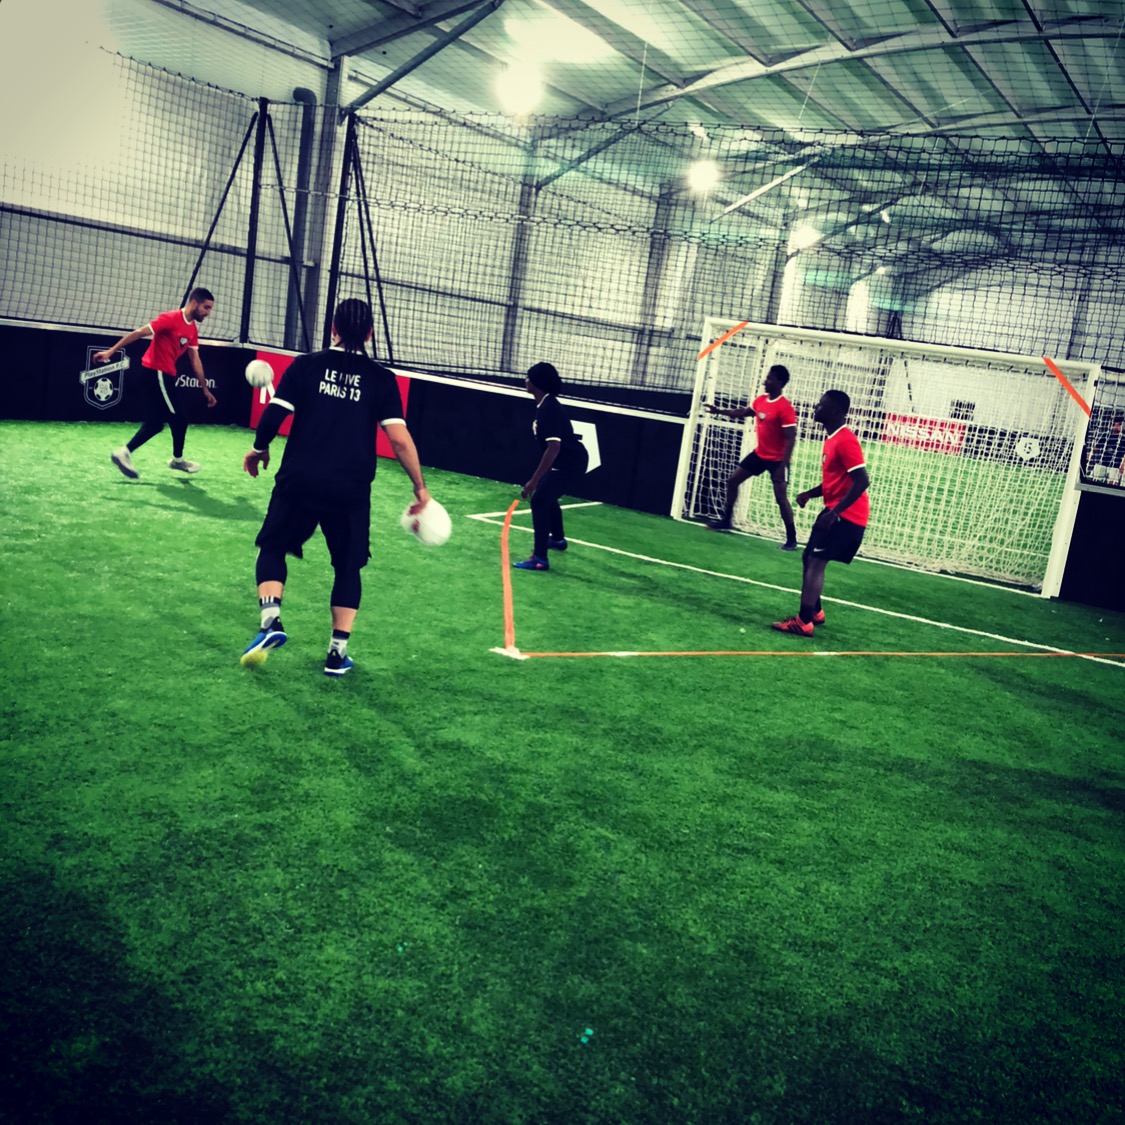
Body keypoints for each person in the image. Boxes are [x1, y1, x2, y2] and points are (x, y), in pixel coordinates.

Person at [240, 298, 431, 677]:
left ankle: (271, 622)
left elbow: (274, 414)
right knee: (347, 566)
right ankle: (336, 653)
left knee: (273, 546)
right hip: (350, 488)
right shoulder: (381, 379)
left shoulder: (306, 366)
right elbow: (399, 439)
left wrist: (260, 448)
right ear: (370, 334)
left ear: (333, 328)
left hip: (299, 479)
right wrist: (420, 488)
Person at [772, 389, 870, 637]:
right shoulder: (832, 439)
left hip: (847, 517)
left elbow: (862, 480)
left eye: (821, 404)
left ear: (835, 410)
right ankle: (814, 611)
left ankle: (804, 622)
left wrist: (835, 513)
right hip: (835, 511)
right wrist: (810, 494)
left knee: (816, 562)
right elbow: (836, 481)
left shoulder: (845, 440)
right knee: (809, 557)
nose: (816, 407)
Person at [94, 288, 218, 478]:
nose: (208, 313)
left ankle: (123, 453)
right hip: (156, 373)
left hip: (160, 376)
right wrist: (111, 352)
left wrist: (205, 389)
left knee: (155, 424)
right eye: (206, 308)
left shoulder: (192, 329)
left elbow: (195, 360)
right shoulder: (170, 318)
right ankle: (177, 461)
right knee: (180, 419)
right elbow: (139, 333)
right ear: (194, 303)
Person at [705, 363, 798, 549]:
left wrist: (783, 466)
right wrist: (719, 411)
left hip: (778, 460)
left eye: (769, 378)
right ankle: (726, 520)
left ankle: (792, 539)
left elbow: (791, 438)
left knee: (781, 498)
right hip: (760, 454)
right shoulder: (761, 400)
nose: (765, 381)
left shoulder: (785, 408)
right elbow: (743, 412)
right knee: (733, 480)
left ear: (780, 382)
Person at [513, 361, 589, 572]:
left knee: (539, 500)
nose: (525, 380)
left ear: (536, 383)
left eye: (528, 377)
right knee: (546, 495)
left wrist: (534, 480)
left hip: (570, 463)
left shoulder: (549, 409)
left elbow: (553, 448)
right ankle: (557, 539)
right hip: (564, 462)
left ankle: (539, 558)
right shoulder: (545, 405)